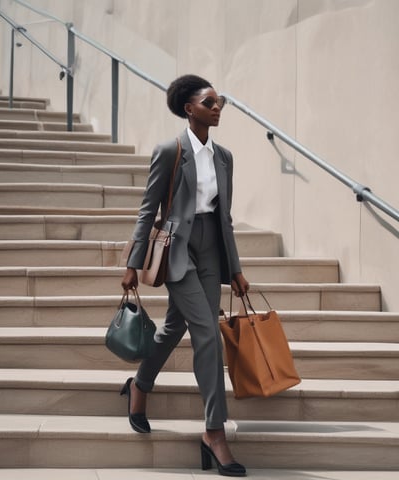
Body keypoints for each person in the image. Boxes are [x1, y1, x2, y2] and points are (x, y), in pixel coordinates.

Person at [121, 74, 249, 477]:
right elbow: (148, 210)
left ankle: (140, 385)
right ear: (189, 108)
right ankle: (214, 431)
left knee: (175, 327)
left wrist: (237, 269)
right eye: (209, 101)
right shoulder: (169, 150)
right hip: (177, 249)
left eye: (220, 101)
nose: (217, 107)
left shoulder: (224, 156)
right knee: (206, 332)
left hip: (212, 248)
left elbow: (224, 218)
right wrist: (132, 263)